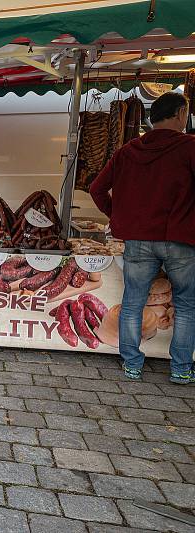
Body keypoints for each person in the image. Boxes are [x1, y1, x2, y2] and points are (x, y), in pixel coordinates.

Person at [89, 91, 195, 384]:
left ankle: (132, 364)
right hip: (181, 240)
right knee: (186, 305)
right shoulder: (190, 147)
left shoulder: (127, 151)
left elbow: (96, 188)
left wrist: (118, 216)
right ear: (180, 114)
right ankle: (181, 368)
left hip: (137, 241)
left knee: (133, 303)